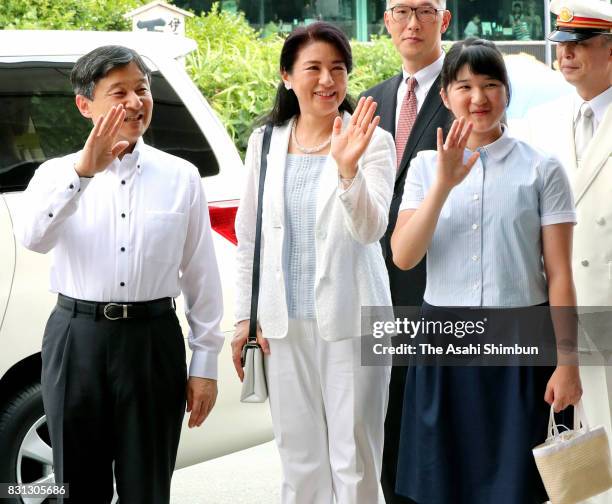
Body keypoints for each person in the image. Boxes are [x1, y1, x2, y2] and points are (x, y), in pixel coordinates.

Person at [14, 45, 223, 504]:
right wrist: (83, 174)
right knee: (78, 485)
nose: (135, 102)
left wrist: (205, 364)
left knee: (147, 486)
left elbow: (201, 275)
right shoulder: (54, 174)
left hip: (152, 342)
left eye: (142, 89)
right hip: (77, 338)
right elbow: (34, 237)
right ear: (86, 105)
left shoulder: (181, 176)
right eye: (119, 92)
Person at [391, 38, 582, 503]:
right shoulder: (423, 167)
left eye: (491, 84)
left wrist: (568, 361)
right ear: (445, 96)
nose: (478, 98)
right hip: (444, 344)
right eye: (465, 86)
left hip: (521, 345)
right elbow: (404, 256)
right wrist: (443, 183)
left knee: (519, 487)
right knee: (443, 484)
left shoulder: (541, 168)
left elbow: (558, 273)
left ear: (506, 92)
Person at [231, 21, 395, 504]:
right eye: (314, 68)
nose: (328, 80)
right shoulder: (264, 143)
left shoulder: (373, 141)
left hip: (356, 319)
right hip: (282, 324)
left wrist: (347, 171)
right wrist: (245, 316)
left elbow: (370, 230)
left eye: (338, 69)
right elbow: (249, 236)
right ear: (287, 76)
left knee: (356, 458)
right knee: (299, 458)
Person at [360, 1, 453, 502]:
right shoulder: (370, 101)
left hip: (439, 281)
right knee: (385, 412)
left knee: (436, 417)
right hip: (375, 281)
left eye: (424, 10)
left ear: (445, 20)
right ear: (387, 22)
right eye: (400, 11)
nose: (412, 23)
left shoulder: (467, 92)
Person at [526, 1, 612, 501]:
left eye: (581, 44)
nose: (567, 54)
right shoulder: (541, 121)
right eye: (562, 44)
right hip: (560, 312)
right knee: (579, 460)